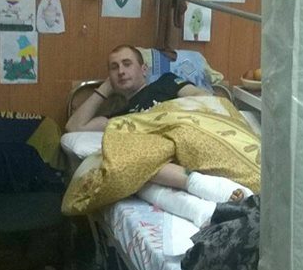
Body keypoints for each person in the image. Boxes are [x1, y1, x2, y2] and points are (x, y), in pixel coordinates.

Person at [65, 43, 214, 190]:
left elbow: (203, 98)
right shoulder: (120, 117)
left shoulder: (166, 82)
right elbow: (74, 126)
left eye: (127, 64)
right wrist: (105, 88)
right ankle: (200, 183)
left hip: (188, 139)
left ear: (144, 70)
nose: (121, 71)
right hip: (158, 157)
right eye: (114, 67)